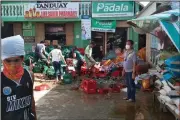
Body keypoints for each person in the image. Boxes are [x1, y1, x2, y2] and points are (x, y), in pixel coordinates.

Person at [1, 35, 37, 120]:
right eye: (8, 61)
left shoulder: (29, 75)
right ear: (2, 60)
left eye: (16, 60)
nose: (12, 65)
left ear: (22, 59)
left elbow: (31, 101)